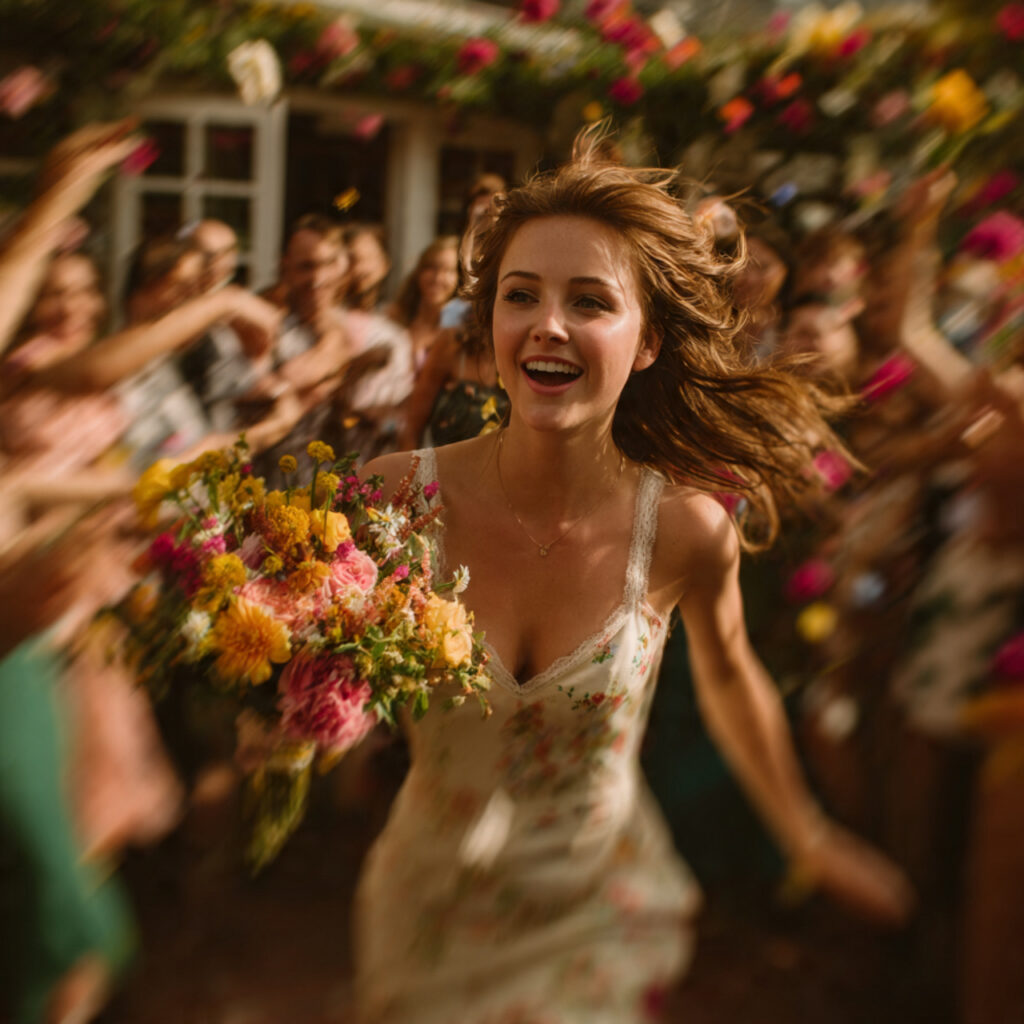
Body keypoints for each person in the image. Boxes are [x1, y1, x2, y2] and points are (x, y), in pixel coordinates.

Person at [354, 136, 912, 1022]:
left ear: (647, 340)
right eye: (520, 296)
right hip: (428, 917)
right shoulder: (389, 501)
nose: (547, 324)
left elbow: (732, 677)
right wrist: (293, 717)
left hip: (597, 920)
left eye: (590, 301)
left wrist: (806, 832)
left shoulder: (687, 531)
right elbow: (329, 673)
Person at [388, 235, 460, 372]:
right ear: (419, 271)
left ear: (459, 278)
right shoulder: (396, 316)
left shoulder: (460, 330)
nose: (438, 278)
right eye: (432, 268)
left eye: (449, 271)